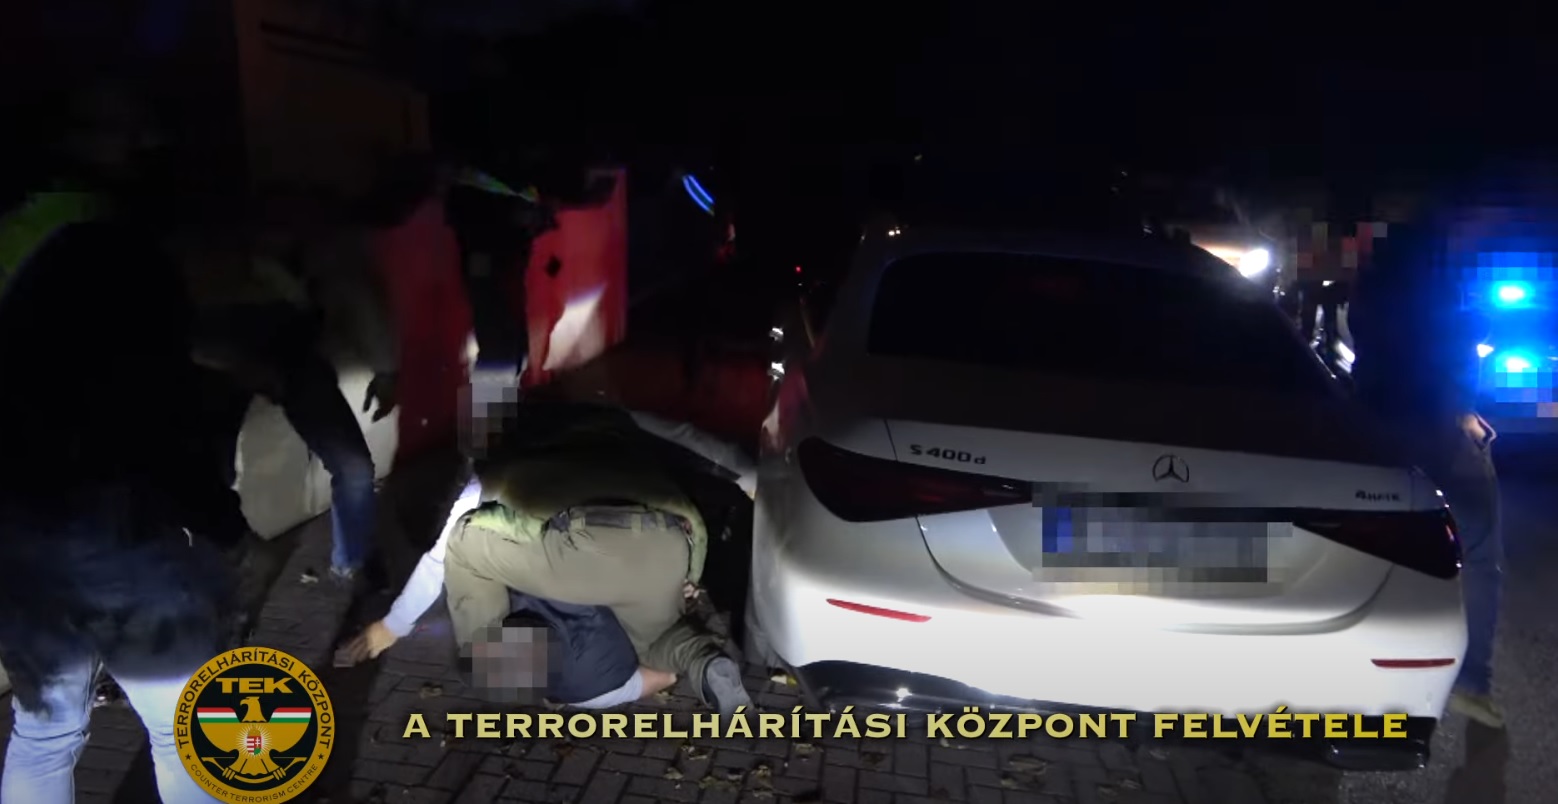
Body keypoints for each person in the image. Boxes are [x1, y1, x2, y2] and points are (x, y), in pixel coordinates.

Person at [0, 81, 229, 804]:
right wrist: (213, 513)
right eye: (133, 133)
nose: (149, 147)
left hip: (14, 525)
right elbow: (155, 399)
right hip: (111, 518)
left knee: (44, 731)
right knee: (184, 728)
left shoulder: (17, 232)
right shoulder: (111, 244)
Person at [344, 392, 757, 715]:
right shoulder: (629, 436)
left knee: (463, 544)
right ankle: (706, 663)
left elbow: (439, 558)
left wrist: (393, 626)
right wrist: (691, 574)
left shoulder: (507, 464)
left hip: (578, 543)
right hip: (666, 548)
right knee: (660, 637)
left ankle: (496, 658)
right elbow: (695, 454)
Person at [173, 196, 400, 588]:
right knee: (209, 480)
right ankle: (217, 581)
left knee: (355, 467)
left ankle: (351, 562)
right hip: (214, 371)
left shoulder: (303, 260)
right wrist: (238, 366)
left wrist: (387, 371)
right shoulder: (188, 262)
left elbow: (353, 293)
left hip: (290, 360)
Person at [1349, 182, 1503, 730]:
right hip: (1436, 422)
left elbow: (1365, 337)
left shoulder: (1376, 274)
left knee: (1375, 543)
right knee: (1479, 554)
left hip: (1376, 421)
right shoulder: (1444, 272)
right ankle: (1471, 683)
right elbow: (1454, 343)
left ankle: (1365, 665)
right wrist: (1462, 410)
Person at [334, 478, 678, 708]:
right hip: (601, 639)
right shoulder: (597, 683)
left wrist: (394, 625)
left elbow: (442, 557)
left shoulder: (595, 686)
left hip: (586, 644)